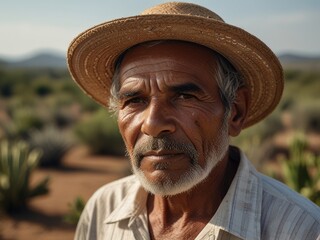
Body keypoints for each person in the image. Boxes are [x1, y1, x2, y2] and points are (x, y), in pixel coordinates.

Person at [67, 2, 320, 240]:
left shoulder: (302, 230)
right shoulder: (103, 210)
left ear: (235, 112)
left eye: (185, 96)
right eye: (135, 101)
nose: (153, 124)